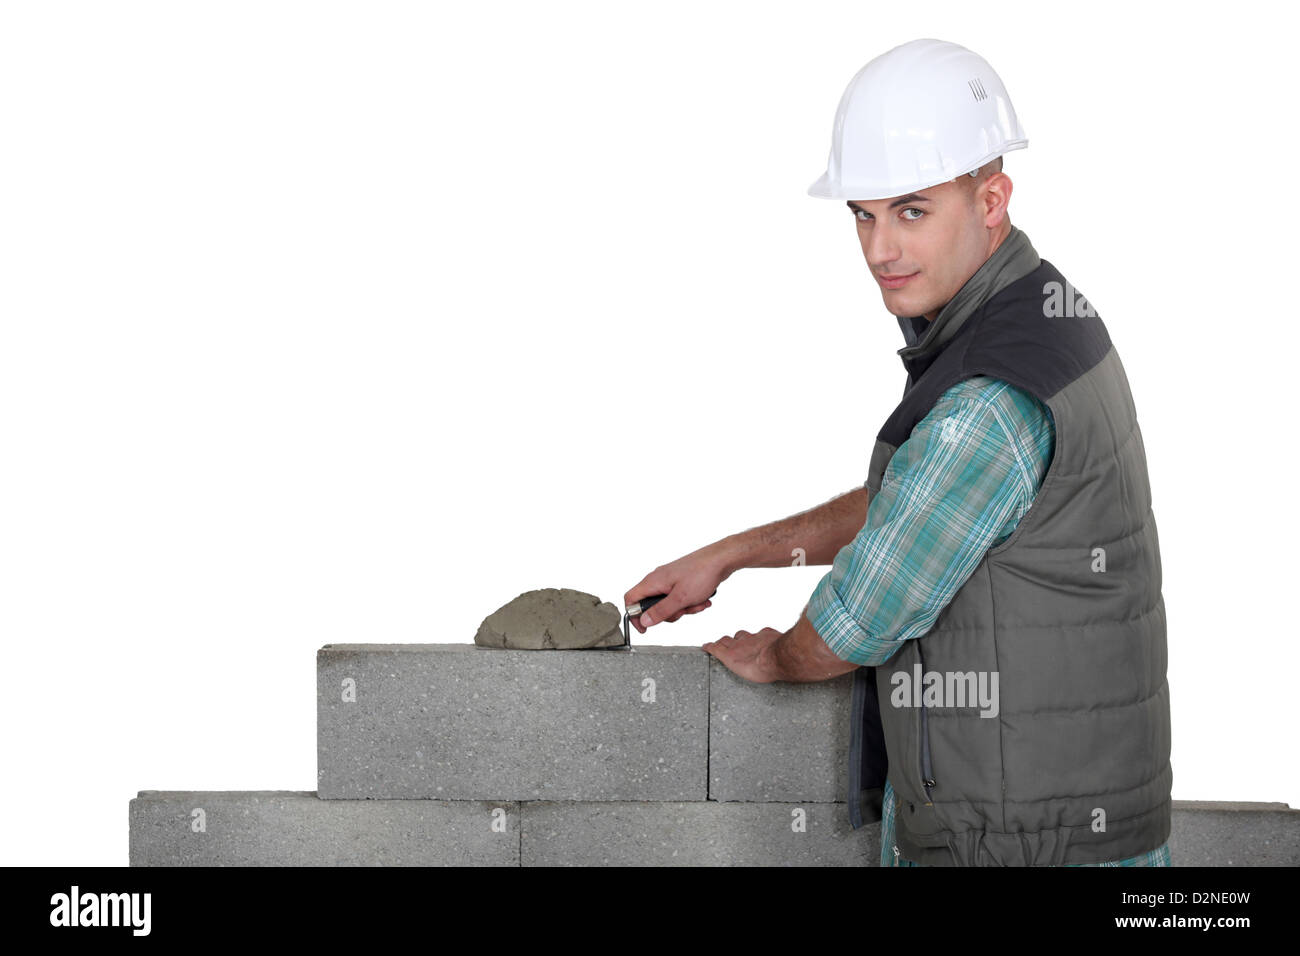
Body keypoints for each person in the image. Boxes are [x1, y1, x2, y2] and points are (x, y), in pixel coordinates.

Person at [623, 38, 1172, 867]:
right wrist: (734, 555)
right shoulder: (1037, 314)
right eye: (863, 214)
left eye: (912, 211)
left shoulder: (991, 396)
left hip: (1015, 846)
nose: (880, 249)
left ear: (992, 200)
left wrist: (771, 657)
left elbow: (856, 622)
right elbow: (920, 501)